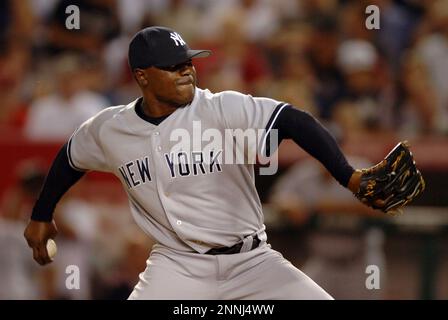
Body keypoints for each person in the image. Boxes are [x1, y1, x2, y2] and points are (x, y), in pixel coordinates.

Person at [24, 26, 419, 300]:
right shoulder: (111, 128)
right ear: (142, 77)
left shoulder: (220, 107)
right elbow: (70, 157)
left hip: (252, 262)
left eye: (188, 62)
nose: (187, 71)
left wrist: (349, 177)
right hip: (176, 266)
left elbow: (293, 121)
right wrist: (42, 213)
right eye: (174, 67)